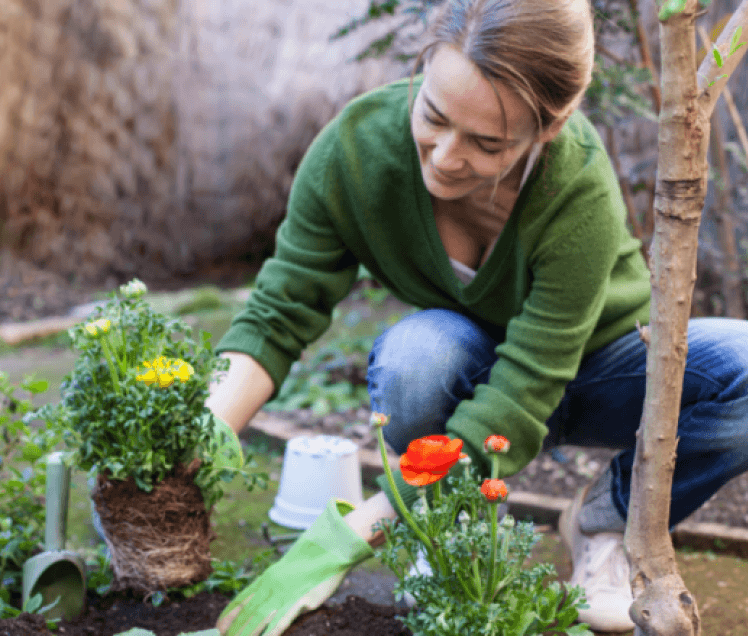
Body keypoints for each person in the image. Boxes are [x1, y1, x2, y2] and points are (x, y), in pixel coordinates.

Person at [205, 0, 748, 633]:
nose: (443, 157)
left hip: (602, 369)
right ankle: (445, 527)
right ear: (424, 66)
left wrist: (350, 534)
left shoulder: (575, 185)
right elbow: (279, 311)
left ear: (548, 127)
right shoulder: (356, 153)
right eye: (433, 116)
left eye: (487, 144)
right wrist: (200, 440)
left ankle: (604, 521)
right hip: (465, 371)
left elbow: (523, 390)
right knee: (418, 356)